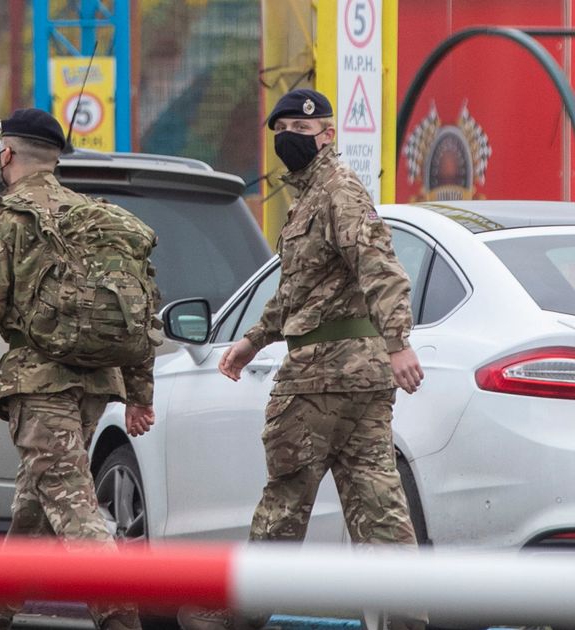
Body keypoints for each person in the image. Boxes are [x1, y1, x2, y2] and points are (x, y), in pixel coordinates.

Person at [177, 88, 426, 630]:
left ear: (328, 133)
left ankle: (236, 614)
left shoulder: (338, 192)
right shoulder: (313, 198)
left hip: (321, 376)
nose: (289, 137)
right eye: (282, 128)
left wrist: (399, 342)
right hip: (356, 379)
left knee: (286, 499)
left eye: (300, 127)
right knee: (379, 509)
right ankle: (405, 619)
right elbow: (299, 290)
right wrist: (253, 339)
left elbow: (379, 267)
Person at [0, 107, 158, 630]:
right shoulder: (96, 218)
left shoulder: (7, 217)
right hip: (94, 386)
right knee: (34, 509)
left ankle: (122, 619)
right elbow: (142, 309)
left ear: (6, 154)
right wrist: (139, 393)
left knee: (75, 510)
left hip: (39, 387)